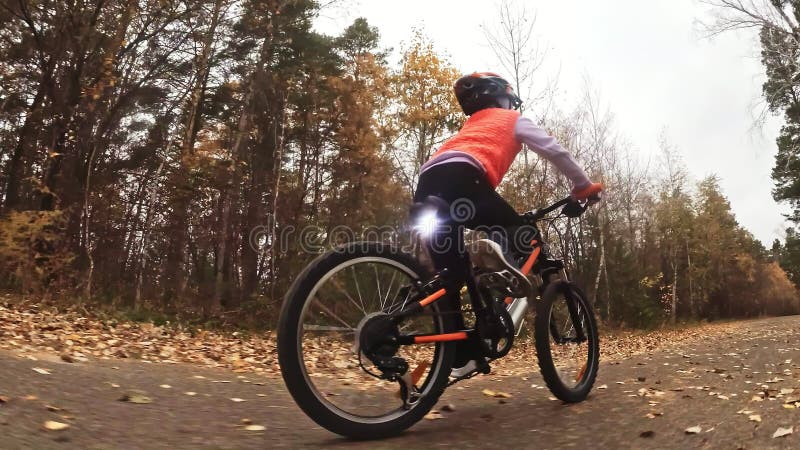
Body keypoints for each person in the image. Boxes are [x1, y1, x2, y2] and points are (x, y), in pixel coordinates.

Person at [412, 72, 602, 377]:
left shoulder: (469, 127)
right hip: (465, 180)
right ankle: (496, 265)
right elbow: (554, 150)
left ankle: (461, 356)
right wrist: (582, 185)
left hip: (428, 182)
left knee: (452, 276)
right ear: (501, 97)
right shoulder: (512, 118)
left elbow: (460, 159)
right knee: (524, 237)